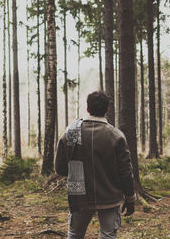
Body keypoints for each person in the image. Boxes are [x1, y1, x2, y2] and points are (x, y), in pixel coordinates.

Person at [55, 91, 136, 239]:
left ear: (87, 108)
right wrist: (130, 198)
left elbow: (59, 169)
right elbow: (126, 172)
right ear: (107, 110)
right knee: (108, 236)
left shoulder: (71, 133)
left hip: (80, 196)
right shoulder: (116, 135)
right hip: (110, 197)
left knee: (74, 235)